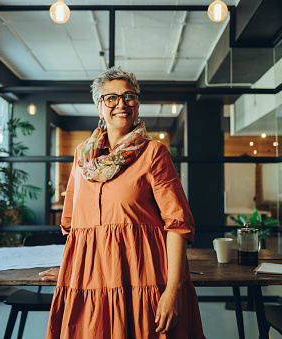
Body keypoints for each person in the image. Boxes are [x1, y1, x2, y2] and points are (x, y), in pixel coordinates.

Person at [40, 66, 206, 339]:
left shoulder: (154, 153)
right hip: (91, 280)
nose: (122, 104)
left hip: (143, 275)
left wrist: (172, 290)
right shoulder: (82, 155)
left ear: (138, 105)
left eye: (130, 96)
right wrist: (72, 266)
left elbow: (177, 225)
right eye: (111, 98)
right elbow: (74, 226)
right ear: (99, 106)